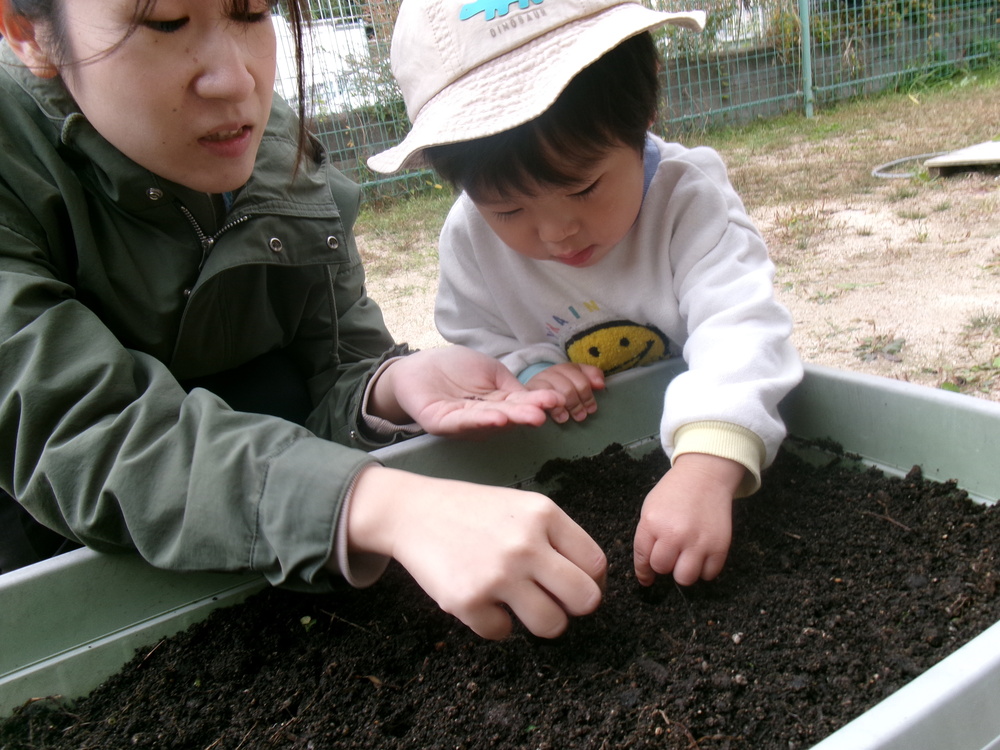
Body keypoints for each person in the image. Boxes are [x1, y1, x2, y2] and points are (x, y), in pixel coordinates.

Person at [0, 0, 609, 642]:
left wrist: (390, 387)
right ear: (28, 33)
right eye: (166, 23)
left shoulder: (278, 158)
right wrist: (373, 504)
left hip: (292, 563)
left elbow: (335, 368)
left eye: (252, 12)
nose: (236, 79)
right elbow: (79, 429)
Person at [368, 0, 804, 589]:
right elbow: (476, 337)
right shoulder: (470, 240)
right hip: (585, 444)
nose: (556, 232)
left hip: (698, 433)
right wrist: (530, 369)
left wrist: (707, 465)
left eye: (584, 186)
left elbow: (741, 326)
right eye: (510, 208)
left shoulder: (686, 201)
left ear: (644, 109)